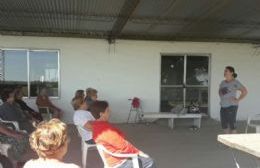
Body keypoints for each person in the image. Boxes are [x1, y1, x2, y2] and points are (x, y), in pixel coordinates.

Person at [90, 101, 156, 168]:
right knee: (150, 161)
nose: (110, 112)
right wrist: (139, 153)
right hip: (119, 163)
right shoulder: (105, 130)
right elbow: (124, 146)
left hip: (113, 159)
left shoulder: (97, 125)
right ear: (101, 114)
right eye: (107, 110)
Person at [219, 66, 248, 134]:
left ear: (231, 73)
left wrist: (238, 100)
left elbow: (245, 91)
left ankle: (234, 142)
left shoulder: (235, 82)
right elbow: (220, 92)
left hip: (232, 106)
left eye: (226, 71)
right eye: (224, 71)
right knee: (224, 125)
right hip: (223, 106)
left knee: (232, 125)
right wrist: (222, 95)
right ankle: (227, 141)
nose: (224, 72)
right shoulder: (223, 82)